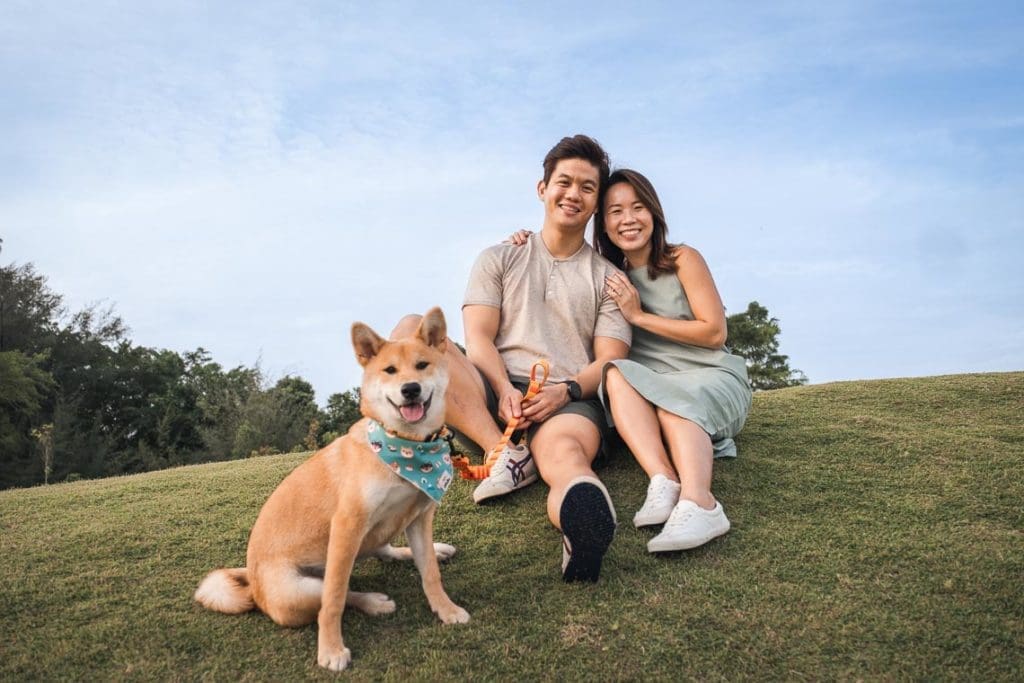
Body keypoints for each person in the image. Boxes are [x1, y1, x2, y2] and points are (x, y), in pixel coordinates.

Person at [391, 135, 631, 582]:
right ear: (543, 189)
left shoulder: (609, 279)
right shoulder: (500, 257)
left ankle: (582, 528)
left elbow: (609, 360)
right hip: (488, 396)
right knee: (410, 330)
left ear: (597, 202)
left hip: (567, 400)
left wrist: (565, 392)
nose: (573, 194)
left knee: (566, 459)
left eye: (587, 187)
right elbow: (478, 337)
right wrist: (503, 389)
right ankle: (506, 455)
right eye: (564, 182)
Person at [510, 168, 751, 553]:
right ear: (602, 223)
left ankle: (701, 503)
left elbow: (714, 333)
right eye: (616, 211)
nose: (628, 219)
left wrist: (638, 317)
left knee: (673, 406)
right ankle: (663, 479)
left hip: (709, 375)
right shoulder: (609, 278)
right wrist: (525, 243)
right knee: (614, 373)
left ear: (653, 212)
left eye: (638, 208)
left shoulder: (682, 259)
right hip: (654, 386)